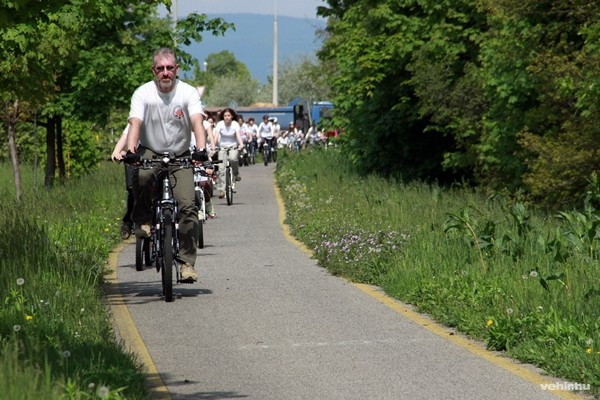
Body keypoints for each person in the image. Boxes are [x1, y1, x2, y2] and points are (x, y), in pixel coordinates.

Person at [125, 47, 207, 283]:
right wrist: (132, 152)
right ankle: (143, 219)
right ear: (154, 70)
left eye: (170, 68)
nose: (165, 73)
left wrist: (201, 150)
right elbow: (135, 124)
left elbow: (197, 122)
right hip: (151, 150)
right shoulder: (143, 93)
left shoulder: (188, 92)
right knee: (142, 176)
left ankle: (187, 264)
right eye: (160, 68)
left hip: (180, 154)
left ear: (176, 69)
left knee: (188, 206)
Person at [213, 108, 244, 197]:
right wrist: (213, 146)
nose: (227, 117)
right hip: (222, 147)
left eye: (228, 115)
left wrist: (241, 144)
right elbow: (216, 137)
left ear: (232, 116)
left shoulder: (235, 124)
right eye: (225, 116)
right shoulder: (220, 124)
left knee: (233, 159)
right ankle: (222, 190)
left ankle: (236, 173)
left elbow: (238, 136)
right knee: (221, 168)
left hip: (233, 146)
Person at [111, 124, 135, 239]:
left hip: (155, 158)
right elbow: (125, 136)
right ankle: (128, 221)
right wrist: (117, 151)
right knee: (133, 191)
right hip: (135, 158)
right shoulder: (137, 117)